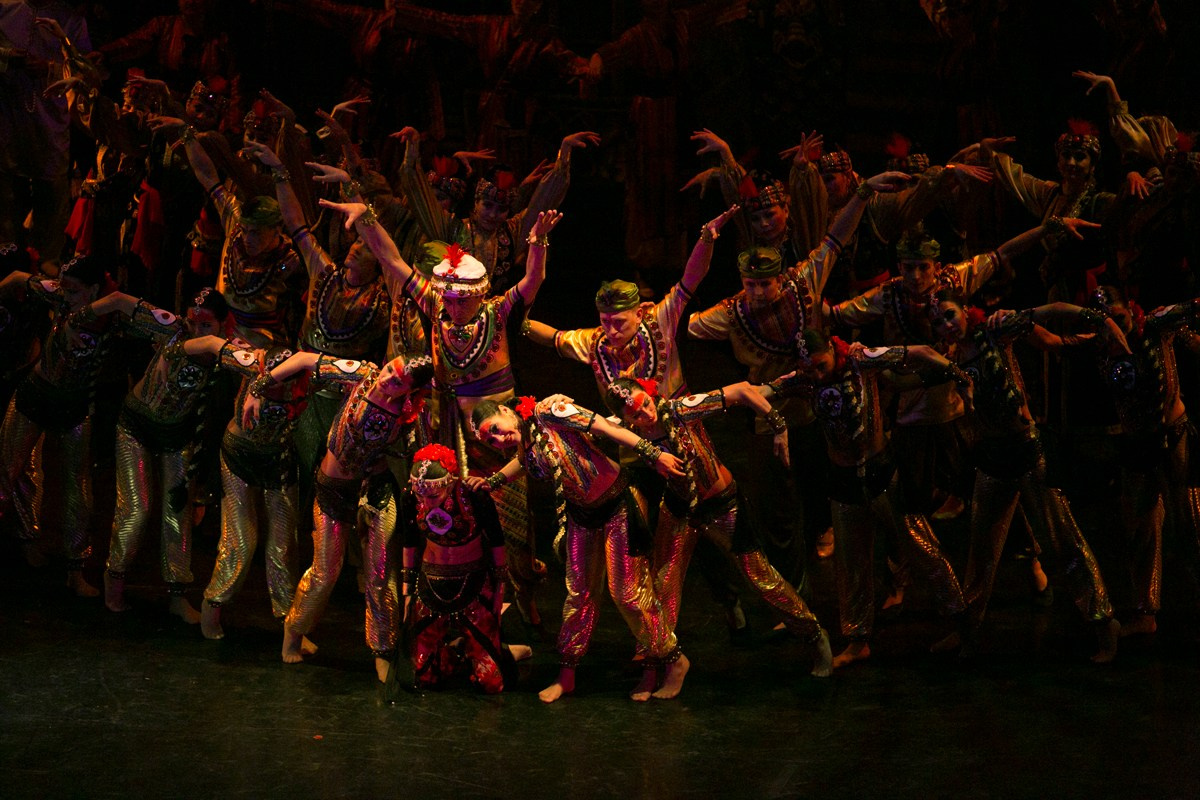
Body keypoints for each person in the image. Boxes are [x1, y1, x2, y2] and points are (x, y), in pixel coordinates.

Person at [321, 196, 562, 627]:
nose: (452, 308)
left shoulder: (498, 312)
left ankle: (521, 591)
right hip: (445, 428)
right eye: (447, 300)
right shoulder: (435, 306)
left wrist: (537, 242)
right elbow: (393, 261)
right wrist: (368, 220)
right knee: (449, 513)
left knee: (509, 519)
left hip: (495, 433)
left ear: (480, 295)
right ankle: (455, 604)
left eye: (460, 301)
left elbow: (533, 279)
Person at [927, 290, 1123, 661]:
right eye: (937, 322)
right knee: (980, 551)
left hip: (1027, 452)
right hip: (992, 459)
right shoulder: (949, 358)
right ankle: (967, 630)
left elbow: (1052, 310)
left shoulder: (993, 332)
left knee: (1061, 540)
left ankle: (1102, 621)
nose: (946, 325)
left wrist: (1099, 320)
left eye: (949, 315)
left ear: (966, 311)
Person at [760, 330, 969, 667]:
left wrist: (956, 372)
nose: (817, 374)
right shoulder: (804, 379)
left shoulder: (861, 361)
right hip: (843, 482)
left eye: (821, 365)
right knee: (851, 565)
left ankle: (961, 621)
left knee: (922, 548)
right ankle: (858, 641)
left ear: (833, 349)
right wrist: (777, 424)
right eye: (810, 369)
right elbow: (759, 392)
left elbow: (919, 350)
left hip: (881, 474)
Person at [603, 376, 833, 677]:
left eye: (646, 403)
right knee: (664, 579)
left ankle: (815, 635)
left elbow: (740, 390)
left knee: (761, 577)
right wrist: (556, 403)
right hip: (679, 508)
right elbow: (588, 424)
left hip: (721, 506)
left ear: (649, 394)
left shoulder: (681, 410)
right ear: (626, 419)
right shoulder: (629, 431)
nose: (647, 413)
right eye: (636, 414)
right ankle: (662, 655)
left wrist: (778, 426)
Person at [471, 394, 688, 703]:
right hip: (582, 515)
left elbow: (606, 429)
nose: (497, 438)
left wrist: (653, 454)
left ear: (505, 410)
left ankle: (672, 659)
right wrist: (493, 481)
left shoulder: (550, 411)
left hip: (618, 504)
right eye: (490, 440)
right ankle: (567, 676)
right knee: (579, 594)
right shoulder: (525, 443)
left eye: (494, 428)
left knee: (626, 594)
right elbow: (524, 461)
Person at [0, 255, 179, 594]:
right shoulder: (59, 295)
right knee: (8, 469)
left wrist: (110, 304)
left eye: (75, 292)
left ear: (95, 289)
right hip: (35, 396)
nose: (66, 297)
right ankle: (26, 539)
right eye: (64, 290)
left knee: (77, 487)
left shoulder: (114, 318)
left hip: (75, 406)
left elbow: (169, 325)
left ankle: (75, 568)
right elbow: (16, 278)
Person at [251, 349, 433, 680]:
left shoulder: (411, 414)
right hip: (333, 490)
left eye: (399, 381)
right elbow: (304, 359)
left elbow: (425, 456)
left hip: (375, 490)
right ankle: (294, 631)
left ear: (411, 390)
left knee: (380, 574)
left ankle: (383, 650)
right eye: (390, 370)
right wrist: (258, 386)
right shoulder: (361, 374)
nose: (388, 379)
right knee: (325, 573)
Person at [103, 288, 231, 621]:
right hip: (136, 428)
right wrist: (80, 316)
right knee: (137, 509)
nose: (196, 330)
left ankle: (177, 595)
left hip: (177, 436)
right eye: (192, 322)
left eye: (206, 325)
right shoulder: (171, 328)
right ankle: (114, 580)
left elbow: (262, 366)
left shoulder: (226, 349)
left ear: (223, 324)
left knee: (178, 513)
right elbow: (119, 299)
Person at [1090, 286, 1200, 638]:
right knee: (1140, 526)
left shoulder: (1155, 325)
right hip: (1137, 445)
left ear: (1131, 308)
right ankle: (1146, 611)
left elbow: (1191, 307)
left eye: (1118, 317)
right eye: (1105, 321)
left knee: (1190, 524)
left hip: (1174, 439)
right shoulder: (1100, 345)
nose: (1114, 326)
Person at [148, 114, 305, 348]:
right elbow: (207, 175)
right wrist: (185, 132)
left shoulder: (290, 261)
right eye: (245, 230)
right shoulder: (235, 221)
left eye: (256, 233)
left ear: (276, 229)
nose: (247, 238)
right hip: (217, 337)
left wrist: (279, 169)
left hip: (261, 350)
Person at [196, 342, 308, 640]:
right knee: (241, 541)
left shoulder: (303, 376)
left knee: (283, 545)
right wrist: (174, 347)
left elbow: (334, 366)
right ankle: (212, 605)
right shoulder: (248, 362)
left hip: (279, 461)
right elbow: (207, 343)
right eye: (268, 378)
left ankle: (290, 626)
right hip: (239, 457)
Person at [400, 444, 508, 693]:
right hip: (430, 584)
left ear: (450, 484)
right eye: (420, 496)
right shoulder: (410, 497)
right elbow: (409, 542)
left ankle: (486, 651)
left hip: (474, 582)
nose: (425, 503)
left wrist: (500, 586)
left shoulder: (474, 496)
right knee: (424, 676)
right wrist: (407, 592)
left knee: (491, 683)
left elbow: (496, 539)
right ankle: (458, 649)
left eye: (433, 496)